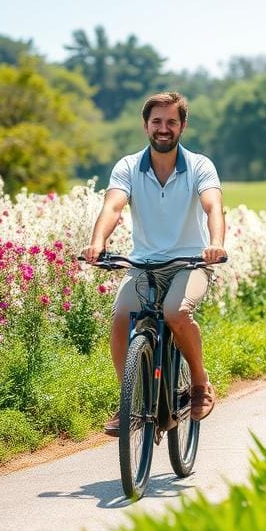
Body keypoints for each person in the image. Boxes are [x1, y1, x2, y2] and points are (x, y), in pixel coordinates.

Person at [81, 92, 226, 436]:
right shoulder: (128, 167)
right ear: (146, 125)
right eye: (157, 122)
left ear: (182, 126)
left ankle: (200, 384)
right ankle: (128, 403)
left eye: (171, 122)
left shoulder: (200, 166)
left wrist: (216, 244)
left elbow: (213, 207)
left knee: (176, 313)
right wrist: (98, 243)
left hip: (190, 262)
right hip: (143, 264)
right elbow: (113, 207)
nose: (164, 128)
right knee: (120, 318)